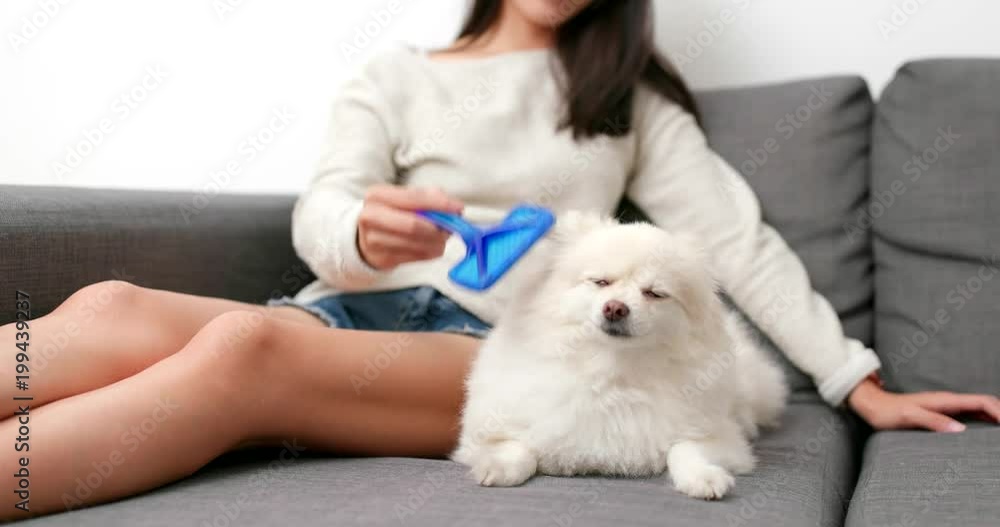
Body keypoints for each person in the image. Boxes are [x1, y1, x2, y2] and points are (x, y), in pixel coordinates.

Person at [3, 0, 997, 519]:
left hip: (500, 345)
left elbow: (732, 241)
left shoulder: (626, 103)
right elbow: (324, 211)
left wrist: (856, 378)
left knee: (241, 349)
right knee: (111, 306)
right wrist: (362, 232)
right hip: (344, 311)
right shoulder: (394, 77)